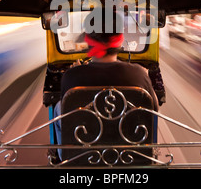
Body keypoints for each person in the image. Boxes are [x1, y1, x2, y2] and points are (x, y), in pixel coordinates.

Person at [51, 9, 159, 160]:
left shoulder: (71, 76)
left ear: (87, 40)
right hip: (132, 157)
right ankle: (149, 154)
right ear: (120, 40)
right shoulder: (139, 73)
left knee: (59, 108)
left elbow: (67, 114)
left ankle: (64, 157)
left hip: (82, 158)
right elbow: (154, 109)